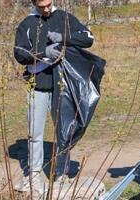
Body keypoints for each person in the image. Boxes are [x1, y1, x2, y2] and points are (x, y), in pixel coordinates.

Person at [13, 0, 94, 196]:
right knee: (35, 133)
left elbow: (88, 38)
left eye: (49, 3)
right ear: (34, 3)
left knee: (64, 131)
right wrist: (43, 53)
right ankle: (33, 176)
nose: (47, 9)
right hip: (37, 85)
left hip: (63, 86)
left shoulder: (65, 18)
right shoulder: (26, 24)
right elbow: (19, 54)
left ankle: (61, 173)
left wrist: (64, 37)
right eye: (42, 6)